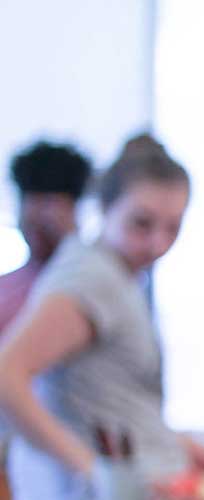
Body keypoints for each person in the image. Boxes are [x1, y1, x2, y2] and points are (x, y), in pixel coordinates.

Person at [0, 134, 204, 498]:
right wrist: (96, 470)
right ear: (106, 208)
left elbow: (119, 403)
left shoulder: (121, 277)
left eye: (173, 228)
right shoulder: (92, 277)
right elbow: (6, 376)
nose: (158, 244)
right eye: (142, 223)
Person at [0, 141, 94, 500]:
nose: (41, 215)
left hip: (75, 460)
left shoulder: (94, 288)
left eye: (53, 203)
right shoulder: (6, 290)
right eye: (33, 201)